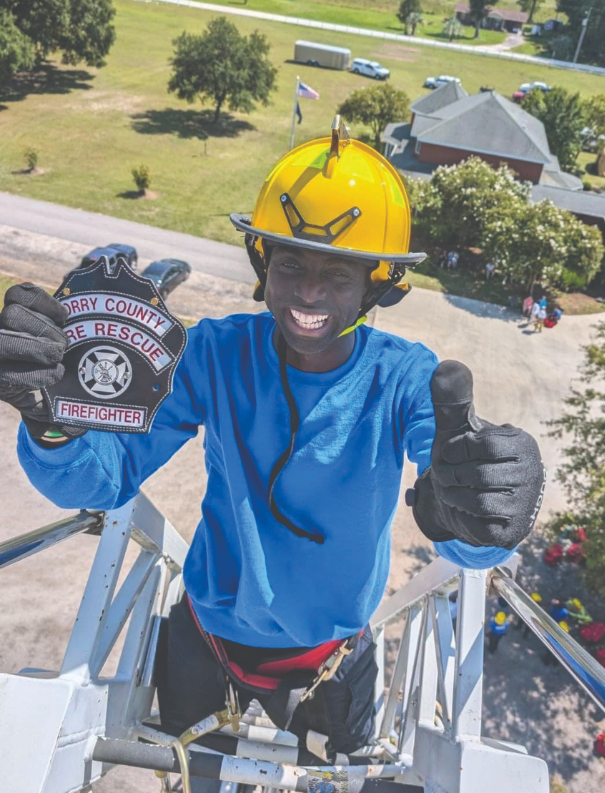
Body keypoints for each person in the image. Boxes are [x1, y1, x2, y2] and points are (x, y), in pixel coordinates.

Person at [0, 120, 545, 784]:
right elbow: (103, 479)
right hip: (205, 638)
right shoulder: (212, 353)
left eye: (337, 273)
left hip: (331, 657)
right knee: (196, 779)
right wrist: (60, 420)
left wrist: (480, 515)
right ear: (261, 261)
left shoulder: (403, 376)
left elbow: (463, 525)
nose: (309, 292)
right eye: (291, 264)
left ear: (380, 282)